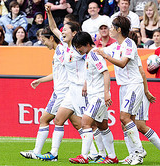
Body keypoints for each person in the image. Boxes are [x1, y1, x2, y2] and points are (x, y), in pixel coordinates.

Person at [37, 4, 98, 161]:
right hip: (71, 91)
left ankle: (98, 153)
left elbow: (91, 64)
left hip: (82, 90)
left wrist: (86, 83)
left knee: (89, 124)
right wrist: (49, 12)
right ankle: (54, 153)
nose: (62, 31)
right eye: (62, 30)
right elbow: (53, 27)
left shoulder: (80, 49)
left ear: (74, 33)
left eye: (65, 30)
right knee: (59, 119)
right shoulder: (64, 45)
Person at [96, 16, 146, 165]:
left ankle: (139, 150)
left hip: (133, 85)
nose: (110, 30)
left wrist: (105, 56)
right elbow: (100, 50)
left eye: (112, 27)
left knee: (125, 118)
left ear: (118, 29)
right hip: (124, 86)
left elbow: (123, 63)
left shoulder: (129, 44)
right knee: (124, 122)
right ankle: (133, 154)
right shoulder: (115, 45)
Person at [120, 31, 160, 165]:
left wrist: (146, 91)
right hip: (130, 90)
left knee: (140, 125)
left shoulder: (131, 53)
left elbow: (142, 73)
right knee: (125, 124)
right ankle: (133, 153)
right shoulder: (123, 52)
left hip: (138, 92)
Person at [20, 26, 70, 159]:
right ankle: (94, 153)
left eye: (44, 40)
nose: (43, 43)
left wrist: (48, 13)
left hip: (62, 92)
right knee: (80, 124)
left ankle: (40, 152)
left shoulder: (62, 50)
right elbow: (57, 73)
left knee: (44, 119)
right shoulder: (58, 52)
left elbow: (53, 27)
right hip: (63, 92)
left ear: (52, 38)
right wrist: (40, 80)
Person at [68, 31, 118, 164]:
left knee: (85, 121)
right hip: (94, 95)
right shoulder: (89, 56)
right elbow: (93, 74)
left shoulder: (94, 55)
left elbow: (106, 73)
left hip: (98, 96)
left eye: (79, 46)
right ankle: (112, 157)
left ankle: (84, 156)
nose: (78, 49)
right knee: (103, 126)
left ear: (86, 44)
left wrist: (106, 93)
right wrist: (86, 84)